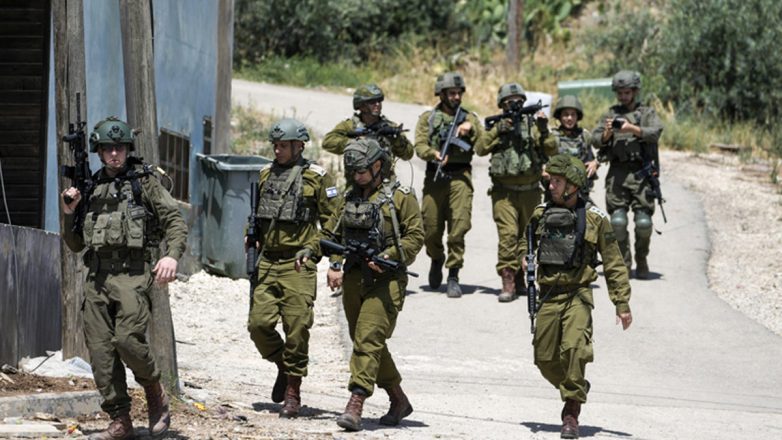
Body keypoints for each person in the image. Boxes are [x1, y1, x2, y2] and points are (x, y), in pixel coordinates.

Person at [61, 116, 187, 439]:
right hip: (97, 278)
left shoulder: (144, 183)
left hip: (133, 274)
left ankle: (155, 390)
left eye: (119, 148)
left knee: (128, 340)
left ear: (128, 148)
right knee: (101, 352)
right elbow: (75, 244)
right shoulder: (89, 187)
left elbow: (174, 221)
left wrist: (171, 255)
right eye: (108, 149)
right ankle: (120, 420)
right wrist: (70, 212)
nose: (114, 154)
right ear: (99, 152)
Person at [520, 154, 632, 439]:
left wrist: (621, 303)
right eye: (551, 181)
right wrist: (524, 256)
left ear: (573, 186)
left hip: (577, 295)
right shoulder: (540, 213)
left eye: (557, 182)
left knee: (574, 349)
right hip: (548, 295)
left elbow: (613, 262)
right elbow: (526, 240)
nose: (551, 186)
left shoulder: (595, 219)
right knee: (544, 359)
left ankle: (571, 411)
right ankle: (577, 386)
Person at [322, 138, 424, 432]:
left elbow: (415, 236)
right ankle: (398, 399)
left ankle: (356, 402)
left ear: (379, 165)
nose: (357, 177)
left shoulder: (401, 197)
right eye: (353, 172)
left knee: (368, 338)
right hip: (355, 278)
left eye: (362, 171)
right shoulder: (348, 197)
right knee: (365, 341)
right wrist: (335, 263)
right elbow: (332, 234)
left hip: (386, 280)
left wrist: (389, 255)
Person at [245, 118, 339, 418]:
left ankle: (293, 392)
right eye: (275, 145)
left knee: (297, 328)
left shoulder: (317, 177)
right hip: (268, 261)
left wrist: (322, 255)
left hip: (298, 264)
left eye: (283, 145)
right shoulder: (265, 174)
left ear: (299, 146)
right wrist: (251, 235)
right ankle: (284, 366)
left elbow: (333, 224)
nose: (277, 150)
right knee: (258, 325)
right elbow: (258, 215)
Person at [476, 82, 557, 303]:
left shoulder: (533, 126)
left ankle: (523, 278)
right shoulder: (497, 126)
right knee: (508, 236)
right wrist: (497, 130)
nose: (515, 105)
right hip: (504, 193)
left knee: (528, 236)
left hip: (531, 192)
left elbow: (552, 149)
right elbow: (480, 148)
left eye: (519, 101)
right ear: (501, 105)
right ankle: (508, 280)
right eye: (509, 102)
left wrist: (543, 128)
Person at [414, 71, 484, 298]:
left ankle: (453, 274)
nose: (456, 97)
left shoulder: (469, 117)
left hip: (460, 177)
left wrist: (470, 129)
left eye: (458, 93)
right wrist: (434, 154)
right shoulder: (428, 118)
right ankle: (436, 258)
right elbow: (419, 146)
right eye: (451, 93)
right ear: (441, 94)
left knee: (459, 228)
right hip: (435, 177)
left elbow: (482, 146)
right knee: (430, 228)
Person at [592, 70, 664, 279]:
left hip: (642, 174)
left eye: (627, 92)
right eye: (620, 93)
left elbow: (655, 132)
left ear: (635, 91)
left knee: (643, 223)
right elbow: (595, 139)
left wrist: (632, 128)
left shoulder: (647, 113)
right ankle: (624, 263)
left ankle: (642, 260)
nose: (623, 97)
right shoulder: (611, 113)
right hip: (618, 173)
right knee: (617, 222)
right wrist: (608, 133)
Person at [323, 83, 414, 178]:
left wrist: (397, 140)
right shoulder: (350, 126)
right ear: (361, 105)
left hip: (385, 182)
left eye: (379, 101)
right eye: (372, 102)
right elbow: (327, 142)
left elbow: (408, 154)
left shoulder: (389, 127)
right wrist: (357, 143)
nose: (377, 104)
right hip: (357, 182)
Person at [551, 95, 599, 199]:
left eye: (573, 114)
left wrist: (594, 163)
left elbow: (591, 159)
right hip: (557, 193)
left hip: (580, 193)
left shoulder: (584, 136)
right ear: (559, 116)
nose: (570, 118)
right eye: (566, 114)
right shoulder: (552, 137)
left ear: (577, 117)